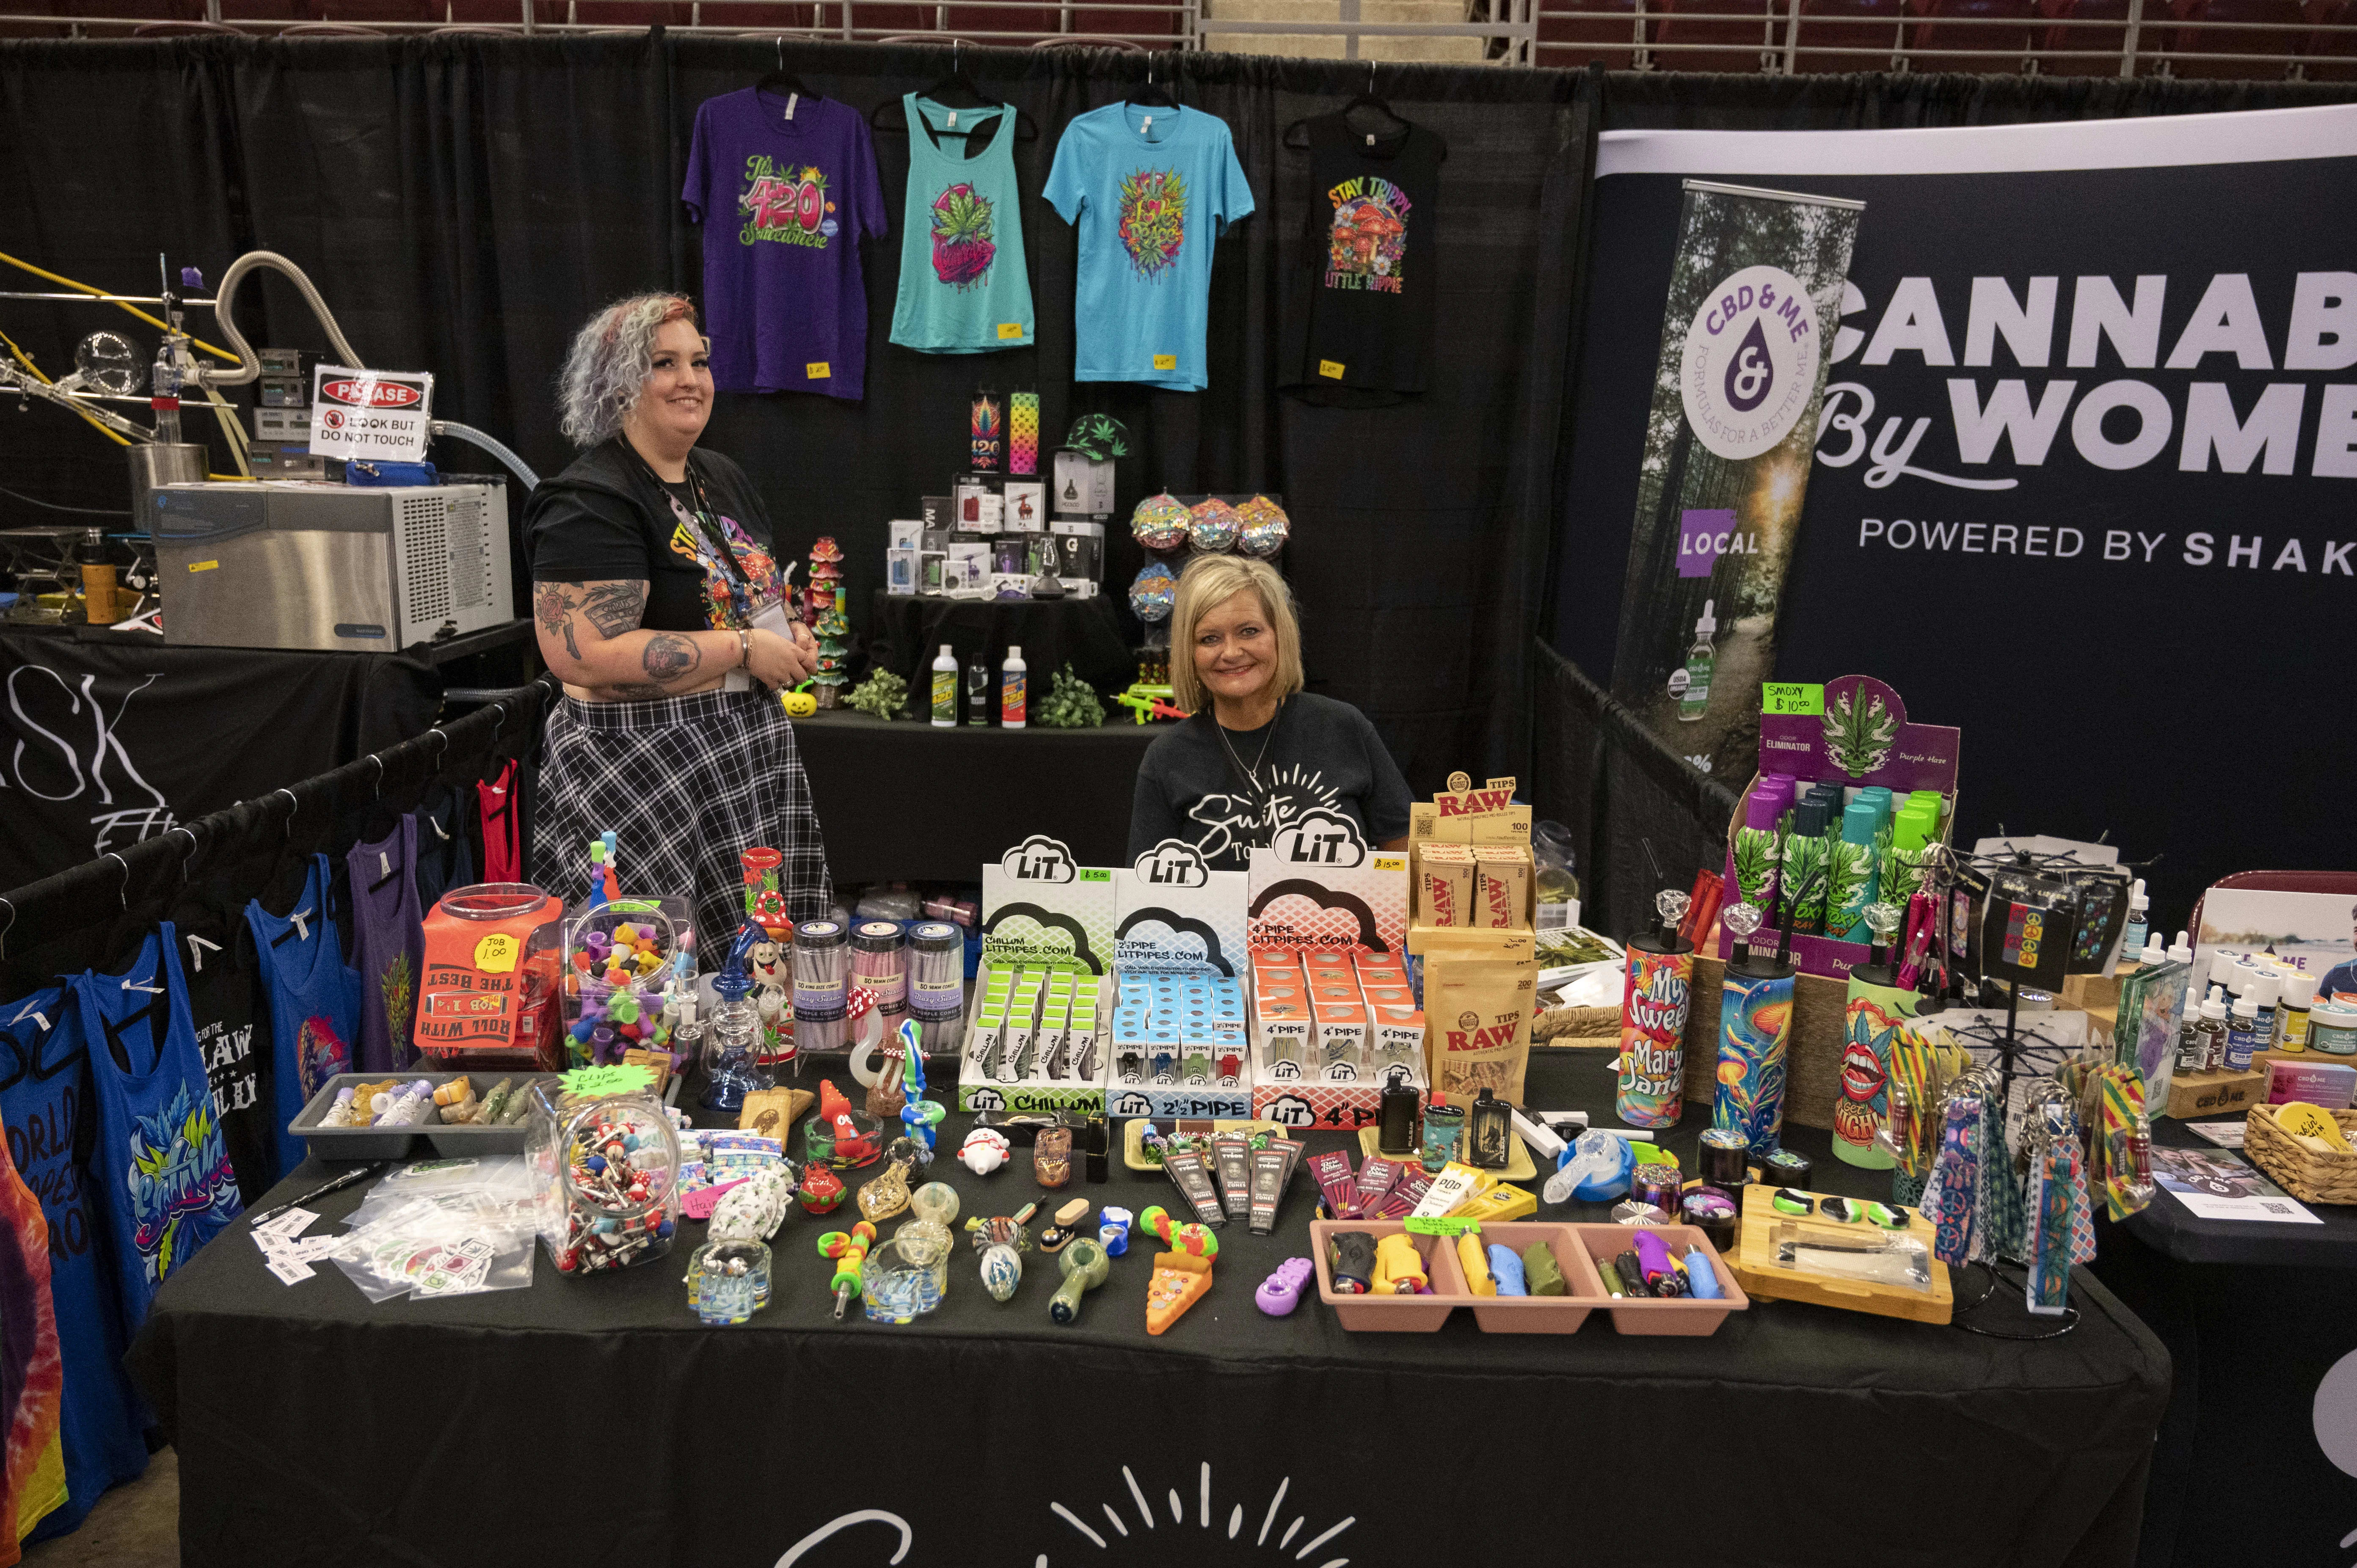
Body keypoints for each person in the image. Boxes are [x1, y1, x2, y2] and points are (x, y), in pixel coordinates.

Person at [523, 293, 832, 942]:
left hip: (742, 747)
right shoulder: (590, 498)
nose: (690, 379)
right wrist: (745, 649)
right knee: (646, 971)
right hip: (636, 762)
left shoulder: (720, 477)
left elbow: (751, 598)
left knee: (758, 962)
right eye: (664, 363)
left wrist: (788, 635)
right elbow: (582, 656)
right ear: (617, 385)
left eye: (699, 361)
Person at [1128, 555, 1411, 871]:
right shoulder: (1167, 757)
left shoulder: (1344, 727)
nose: (1231, 652)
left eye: (1249, 631)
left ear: (1280, 635)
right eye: (1209, 639)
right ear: (1189, 653)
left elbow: (1402, 846)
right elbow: (1145, 884)